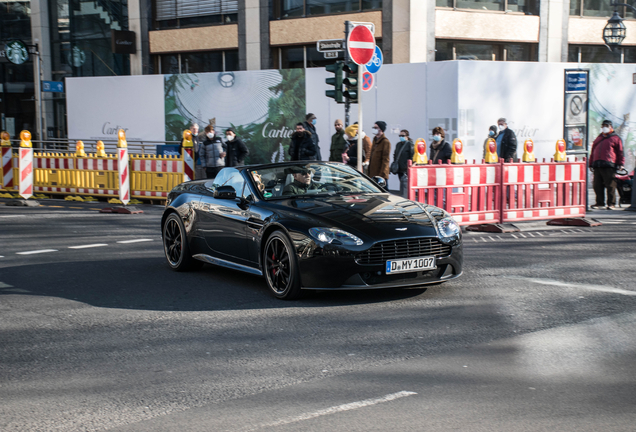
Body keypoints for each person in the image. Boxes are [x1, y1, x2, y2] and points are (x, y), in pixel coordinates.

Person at [589, 119, 625, 209]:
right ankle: (600, 203)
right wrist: (591, 163)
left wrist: (621, 164)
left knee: (611, 185)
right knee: (597, 185)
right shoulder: (599, 137)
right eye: (603, 126)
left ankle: (611, 203)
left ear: (611, 127)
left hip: (609, 165)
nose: (604, 128)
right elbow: (593, 151)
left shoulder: (616, 138)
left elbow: (620, 152)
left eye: (606, 126)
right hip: (597, 165)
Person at [393, 129, 415, 197]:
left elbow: (412, 155)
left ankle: (406, 197)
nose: (401, 137)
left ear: (407, 136)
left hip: (406, 169)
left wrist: (409, 165)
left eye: (403, 135)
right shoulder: (398, 144)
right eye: (400, 135)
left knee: (405, 186)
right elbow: (395, 154)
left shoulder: (410, 144)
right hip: (399, 169)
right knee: (402, 185)